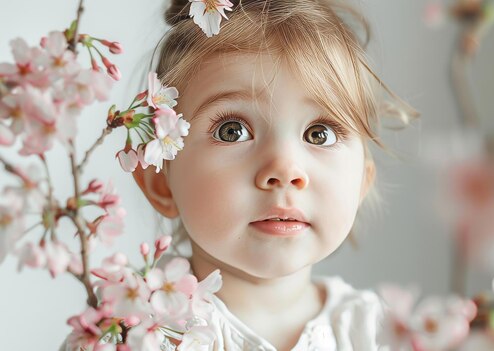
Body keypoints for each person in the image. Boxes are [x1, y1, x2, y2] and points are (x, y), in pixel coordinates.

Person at [64, 0, 417, 350]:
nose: (284, 170)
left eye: (319, 134)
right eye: (231, 131)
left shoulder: (380, 333)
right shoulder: (133, 331)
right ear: (161, 182)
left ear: (361, 182)